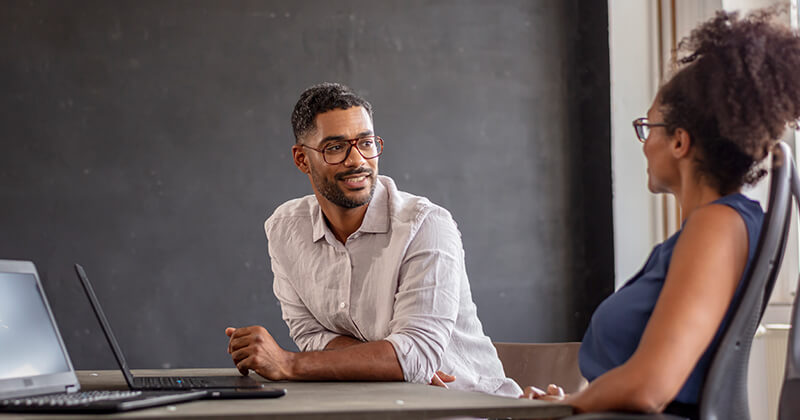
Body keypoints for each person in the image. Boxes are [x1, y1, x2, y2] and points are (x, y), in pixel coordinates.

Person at [523, 9, 800, 418]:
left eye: (647, 127)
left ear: (679, 142)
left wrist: (569, 404)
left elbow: (650, 387)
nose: (643, 144)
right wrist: (575, 402)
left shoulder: (718, 226)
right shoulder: (718, 229)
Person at [225, 82, 521, 397]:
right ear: (301, 159)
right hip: (377, 403)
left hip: (468, 406)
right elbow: (311, 332)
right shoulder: (285, 230)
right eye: (335, 147)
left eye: (366, 142)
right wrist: (389, 363)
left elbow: (416, 355)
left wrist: (289, 364)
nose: (358, 161)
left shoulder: (425, 225)